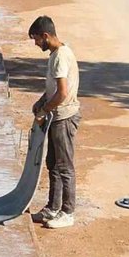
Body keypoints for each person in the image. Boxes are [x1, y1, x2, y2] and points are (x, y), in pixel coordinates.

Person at [28, 16, 81, 229]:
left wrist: (44, 111)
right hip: (56, 116)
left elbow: (62, 93)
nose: (35, 44)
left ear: (46, 36)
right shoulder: (57, 54)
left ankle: (67, 212)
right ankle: (52, 207)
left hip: (64, 118)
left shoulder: (60, 57)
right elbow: (52, 89)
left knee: (64, 166)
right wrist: (41, 101)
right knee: (53, 164)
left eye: (36, 39)